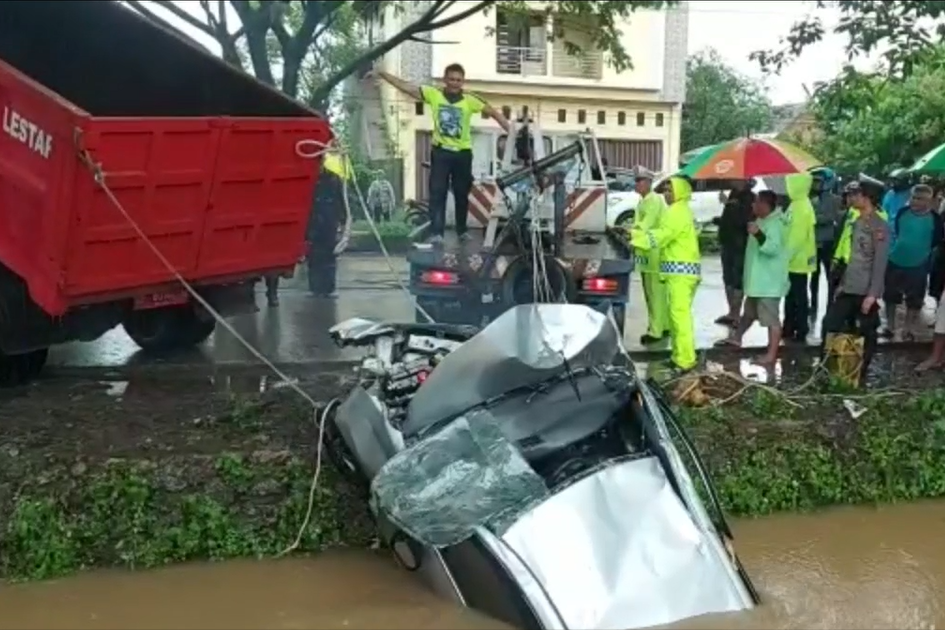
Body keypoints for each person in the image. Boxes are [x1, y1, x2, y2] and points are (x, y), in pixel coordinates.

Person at [372, 63, 510, 244]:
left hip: (462, 154)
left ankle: (462, 231)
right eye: (451, 79)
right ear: (445, 80)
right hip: (441, 152)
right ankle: (437, 232)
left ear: (463, 82)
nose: (455, 83)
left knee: (461, 193)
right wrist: (383, 74)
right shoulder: (434, 94)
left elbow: (494, 113)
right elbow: (407, 88)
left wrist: (512, 132)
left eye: (458, 80)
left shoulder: (470, 100)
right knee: (437, 192)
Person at [821, 175, 890, 385]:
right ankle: (829, 369)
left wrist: (873, 294)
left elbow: (880, 262)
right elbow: (851, 257)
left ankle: (860, 373)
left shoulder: (879, 226)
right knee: (830, 324)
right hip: (848, 286)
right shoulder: (855, 221)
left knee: (867, 333)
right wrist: (842, 284)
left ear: (867, 197)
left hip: (865, 291)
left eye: (857, 194)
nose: (853, 197)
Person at [630, 176, 701, 373]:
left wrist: (635, 239)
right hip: (678, 273)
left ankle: (685, 361)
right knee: (675, 318)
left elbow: (662, 235)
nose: (666, 194)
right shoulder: (679, 210)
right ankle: (678, 357)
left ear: (680, 192)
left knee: (680, 319)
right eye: (666, 190)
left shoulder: (677, 212)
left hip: (681, 274)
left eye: (670, 191)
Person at [715, 190, 788, 365]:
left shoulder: (776, 224)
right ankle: (736, 338)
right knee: (749, 313)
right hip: (757, 281)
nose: (753, 205)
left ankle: (771, 355)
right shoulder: (761, 220)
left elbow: (772, 248)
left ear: (765, 205)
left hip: (768, 284)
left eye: (756, 202)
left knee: (771, 320)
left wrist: (758, 234)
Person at [880, 184, 942, 340]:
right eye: (913, 197)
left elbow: (936, 240)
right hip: (895, 259)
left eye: (920, 199)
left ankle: (908, 329)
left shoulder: (935, 219)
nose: (915, 201)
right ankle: (890, 326)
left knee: (914, 299)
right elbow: (897, 231)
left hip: (919, 263)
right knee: (890, 295)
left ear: (928, 201)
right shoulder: (903, 213)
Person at [307, 150, 352, 298]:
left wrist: (343, 221)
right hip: (313, 222)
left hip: (329, 221)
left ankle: (328, 288)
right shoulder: (309, 179)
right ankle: (315, 288)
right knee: (314, 256)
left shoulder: (334, 179)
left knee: (329, 255)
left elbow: (341, 200)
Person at [630, 166, 668, 345]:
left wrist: (628, 232)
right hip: (646, 252)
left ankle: (656, 331)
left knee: (654, 293)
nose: (636, 184)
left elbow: (645, 225)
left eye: (639, 180)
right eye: (635, 180)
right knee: (653, 291)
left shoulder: (653, 200)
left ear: (648, 182)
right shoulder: (644, 201)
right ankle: (663, 325)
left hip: (654, 252)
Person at [713, 180, 754, 326]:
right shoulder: (733, 194)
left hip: (740, 244)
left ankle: (736, 313)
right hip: (728, 242)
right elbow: (729, 217)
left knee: (737, 279)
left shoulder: (749, 197)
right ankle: (731, 311)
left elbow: (744, 220)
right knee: (728, 278)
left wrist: (728, 204)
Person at [783, 172, 817, 343]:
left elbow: (796, 237)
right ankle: (789, 326)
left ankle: (801, 328)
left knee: (798, 296)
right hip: (795, 259)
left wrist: (785, 256)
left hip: (797, 260)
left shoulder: (801, 207)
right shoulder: (797, 204)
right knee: (792, 295)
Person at [809, 168, 843, 321]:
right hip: (813, 242)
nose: (815, 184)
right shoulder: (809, 199)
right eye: (814, 181)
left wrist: (815, 218)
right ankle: (813, 304)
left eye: (818, 181)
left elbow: (830, 217)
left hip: (829, 241)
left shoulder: (835, 199)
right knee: (813, 276)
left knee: (830, 275)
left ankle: (831, 304)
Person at [881, 168, 911, 241]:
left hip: (906, 234)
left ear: (904, 180)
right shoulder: (889, 194)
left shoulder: (912, 194)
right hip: (890, 234)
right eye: (892, 180)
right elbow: (884, 213)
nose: (893, 183)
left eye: (896, 180)